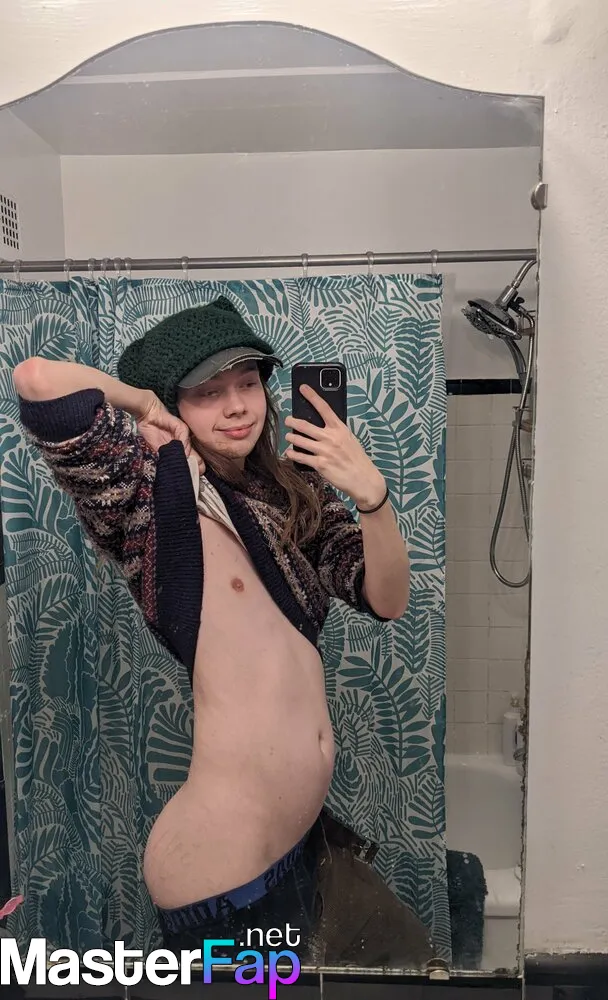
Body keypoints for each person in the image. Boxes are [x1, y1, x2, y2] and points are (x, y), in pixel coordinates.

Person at [13, 296, 433, 968]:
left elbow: (386, 599)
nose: (237, 407)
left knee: (403, 961)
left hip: (302, 845)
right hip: (226, 872)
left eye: (247, 383)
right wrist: (143, 406)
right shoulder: (144, 496)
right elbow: (37, 381)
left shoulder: (288, 492)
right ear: (174, 403)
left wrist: (371, 497)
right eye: (208, 393)